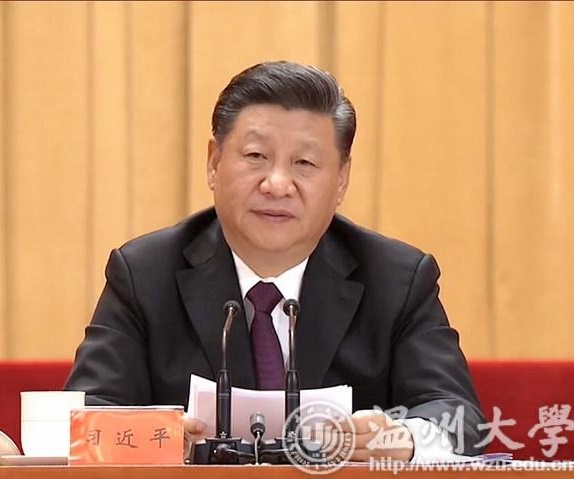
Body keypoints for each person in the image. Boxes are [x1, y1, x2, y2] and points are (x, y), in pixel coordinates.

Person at [65, 61, 485, 462]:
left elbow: (459, 417)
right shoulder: (144, 274)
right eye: (255, 157)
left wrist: (400, 437)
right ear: (214, 163)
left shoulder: (396, 279)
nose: (277, 184)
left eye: (304, 163)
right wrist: (159, 437)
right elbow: (85, 419)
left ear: (341, 180)